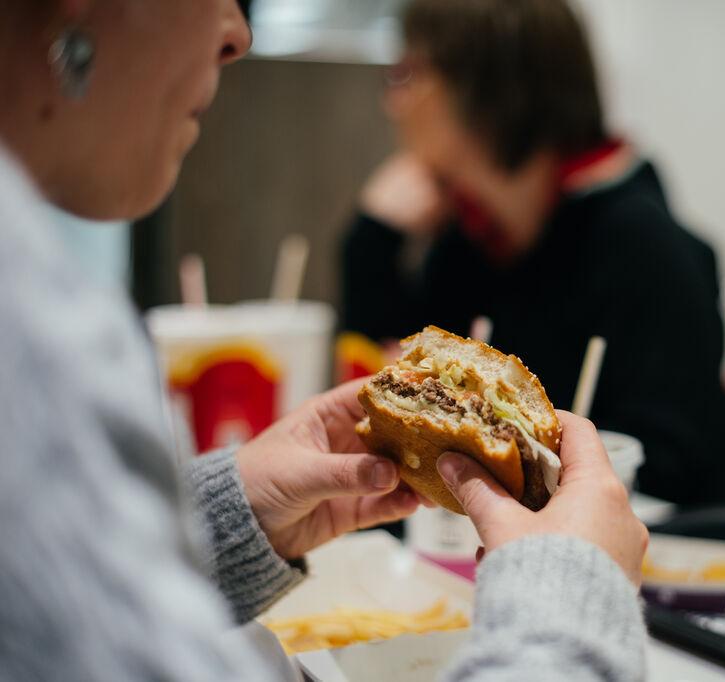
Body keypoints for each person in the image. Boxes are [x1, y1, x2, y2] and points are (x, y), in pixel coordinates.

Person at [0, 1, 648, 681]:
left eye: (407, 74)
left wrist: (230, 516)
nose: (238, 35)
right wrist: (574, 595)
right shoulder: (31, 336)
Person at [342, 0, 725, 507]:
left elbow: (675, 473)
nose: (394, 102)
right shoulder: (466, 245)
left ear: (485, 90)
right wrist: (371, 244)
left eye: (409, 73)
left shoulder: (646, 250)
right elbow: (378, 403)